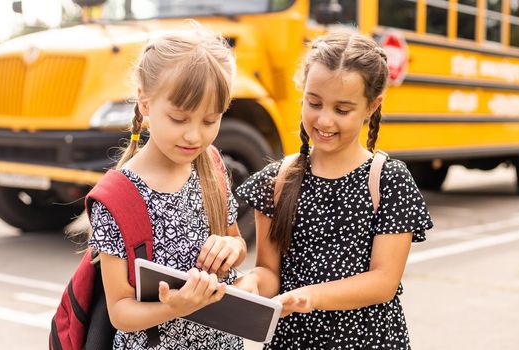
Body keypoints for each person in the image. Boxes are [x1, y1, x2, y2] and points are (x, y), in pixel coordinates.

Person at [235, 31, 433, 349]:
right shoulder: (277, 181)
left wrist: (312, 296)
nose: (324, 120)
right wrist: (250, 285)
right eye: (314, 103)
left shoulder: (388, 180)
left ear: (372, 106)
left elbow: (384, 281)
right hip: (293, 342)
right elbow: (268, 272)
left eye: (342, 110)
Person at [87, 24, 247, 350]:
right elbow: (120, 311)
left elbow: (235, 241)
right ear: (145, 102)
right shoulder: (118, 197)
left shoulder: (211, 164)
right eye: (179, 119)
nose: (194, 136)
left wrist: (231, 249)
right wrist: (173, 308)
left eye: (210, 120)